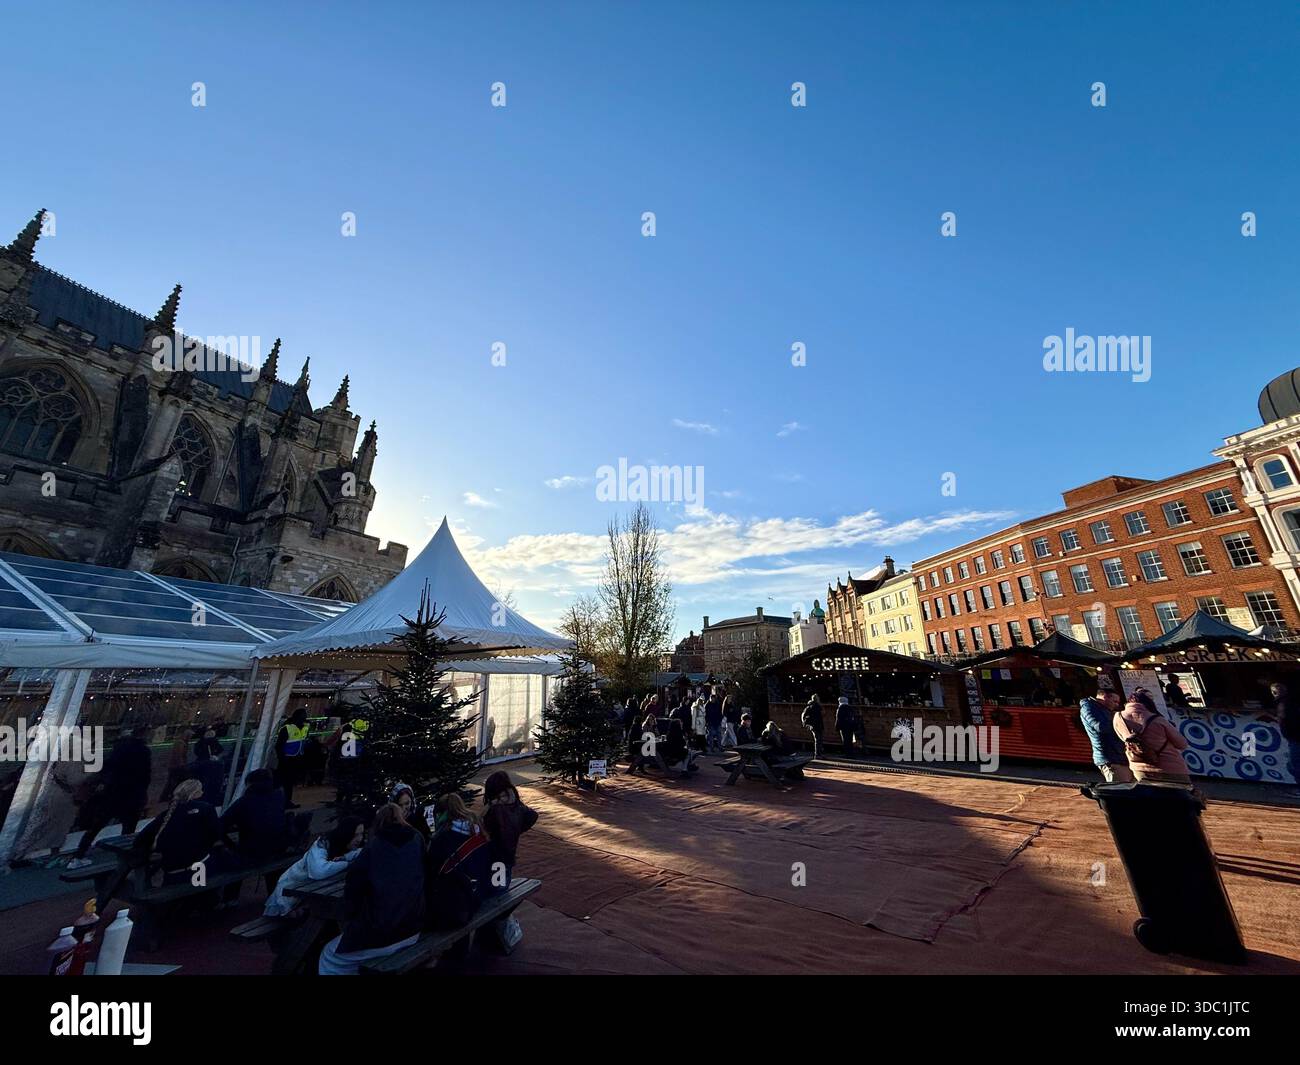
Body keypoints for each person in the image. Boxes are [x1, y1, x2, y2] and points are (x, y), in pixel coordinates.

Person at [318, 804, 426, 975]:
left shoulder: (374, 847)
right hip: (413, 926)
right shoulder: (417, 840)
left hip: (384, 932)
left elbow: (353, 889)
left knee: (330, 956)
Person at [66, 725, 153, 870]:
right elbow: (146, 776)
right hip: (133, 796)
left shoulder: (119, 749)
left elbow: (106, 768)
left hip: (113, 793)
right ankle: (124, 861)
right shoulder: (144, 751)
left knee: (96, 826)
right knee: (128, 830)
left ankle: (78, 856)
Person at [264, 816, 364, 917]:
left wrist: (345, 857)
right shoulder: (322, 845)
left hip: (310, 894)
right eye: (355, 835)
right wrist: (347, 863)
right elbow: (318, 871)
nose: (360, 839)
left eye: (361, 834)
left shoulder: (349, 847)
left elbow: (363, 852)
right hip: (288, 895)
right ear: (346, 834)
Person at [425, 793, 493, 928]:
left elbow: (432, 871)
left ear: (441, 814)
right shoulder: (477, 830)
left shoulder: (442, 839)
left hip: (455, 904)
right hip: (477, 894)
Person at [219, 769, 305, 863]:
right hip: (277, 848)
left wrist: (232, 846)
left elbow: (219, 826)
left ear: (249, 784)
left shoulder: (244, 802)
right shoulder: (278, 797)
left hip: (253, 852)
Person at [1114, 691, 1190, 783]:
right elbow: (1182, 744)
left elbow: (1123, 738)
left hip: (1138, 768)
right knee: (1180, 796)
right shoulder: (1157, 720)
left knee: (1150, 796)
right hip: (1170, 767)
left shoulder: (1118, 718)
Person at [481, 771, 538, 895]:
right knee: (501, 885)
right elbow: (532, 815)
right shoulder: (514, 803)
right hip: (507, 855)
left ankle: (499, 909)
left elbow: (485, 829)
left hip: (496, 857)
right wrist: (516, 829)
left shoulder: (495, 810)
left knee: (496, 891)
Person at [1079, 689, 1132, 783]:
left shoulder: (1103, 709)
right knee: (1120, 789)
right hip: (1110, 757)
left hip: (1117, 755)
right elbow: (1101, 727)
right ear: (1105, 697)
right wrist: (1118, 720)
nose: (1116, 705)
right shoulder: (1089, 707)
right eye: (1115, 701)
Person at [275, 707, 310, 808]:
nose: (305, 717)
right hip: (287, 758)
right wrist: (282, 757)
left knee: (289, 781)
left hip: (297, 758)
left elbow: (303, 740)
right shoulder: (287, 728)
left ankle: (286, 801)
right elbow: (279, 745)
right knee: (284, 781)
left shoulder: (305, 727)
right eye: (303, 715)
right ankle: (282, 801)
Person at [1269, 683, 1300, 793]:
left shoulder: (1283, 704)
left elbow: (1285, 718)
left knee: (1294, 764)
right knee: (1293, 764)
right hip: (1294, 736)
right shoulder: (1290, 701)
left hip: (1295, 737)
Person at [160, 728, 193, 802]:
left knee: (171, 781)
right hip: (177, 766)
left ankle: (165, 797)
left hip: (174, 766)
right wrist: (182, 765)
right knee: (173, 782)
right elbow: (179, 755)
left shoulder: (180, 742)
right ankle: (168, 796)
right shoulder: (181, 743)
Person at [801, 694, 825, 759]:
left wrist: (805, 722)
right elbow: (821, 714)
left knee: (817, 740)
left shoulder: (809, 706)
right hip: (818, 724)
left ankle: (818, 754)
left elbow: (803, 714)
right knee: (818, 740)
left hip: (813, 725)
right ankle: (818, 754)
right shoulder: (817, 706)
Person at [704, 689, 724, 753]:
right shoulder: (707, 705)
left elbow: (720, 713)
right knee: (711, 736)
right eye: (712, 698)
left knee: (718, 736)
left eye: (714, 698)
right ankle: (712, 748)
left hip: (717, 722)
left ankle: (719, 747)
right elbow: (705, 714)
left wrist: (720, 719)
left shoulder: (717, 704)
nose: (713, 699)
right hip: (711, 722)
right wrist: (707, 721)